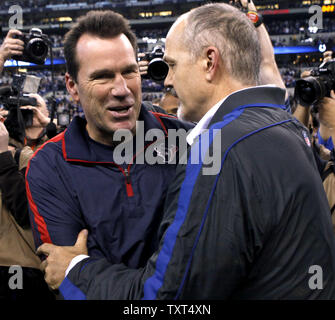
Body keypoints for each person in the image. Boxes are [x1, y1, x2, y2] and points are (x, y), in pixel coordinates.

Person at [38, 3, 335, 299]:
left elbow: (167, 297)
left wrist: (76, 270)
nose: (167, 80)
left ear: (209, 62)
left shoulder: (214, 147)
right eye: (102, 76)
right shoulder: (286, 126)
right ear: (72, 86)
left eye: (173, 65)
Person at [26, 10, 193, 276]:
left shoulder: (191, 142)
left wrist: (86, 268)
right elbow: (70, 283)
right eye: (102, 76)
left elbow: (206, 267)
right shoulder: (48, 166)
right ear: (72, 86)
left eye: (129, 72)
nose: (122, 89)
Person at [0, 29, 54, 300]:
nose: (33, 115)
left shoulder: (36, 155)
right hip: (16, 267)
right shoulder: (16, 155)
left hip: (32, 271)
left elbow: (26, 211)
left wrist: (51, 128)